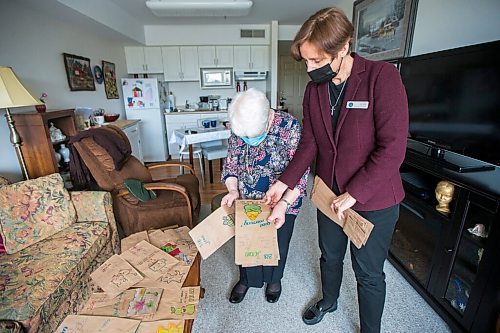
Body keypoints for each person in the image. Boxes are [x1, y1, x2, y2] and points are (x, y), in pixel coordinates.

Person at [264, 7, 409, 333]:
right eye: (307, 62)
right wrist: (284, 183)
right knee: (329, 255)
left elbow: (393, 149)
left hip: (374, 199)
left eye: (317, 61)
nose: (310, 69)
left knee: (368, 271)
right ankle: (329, 301)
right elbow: (310, 143)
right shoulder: (315, 89)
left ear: (343, 48)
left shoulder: (381, 78)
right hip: (329, 193)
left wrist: (355, 193)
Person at [220, 88, 309, 304]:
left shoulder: (289, 127)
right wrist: (233, 189)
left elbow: (302, 173)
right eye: (245, 137)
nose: (249, 140)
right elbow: (231, 163)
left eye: (254, 136)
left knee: (278, 242)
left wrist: (285, 202)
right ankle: (246, 279)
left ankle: (274, 280)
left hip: (282, 200)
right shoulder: (240, 124)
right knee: (247, 241)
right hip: (247, 197)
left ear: (269, 117)